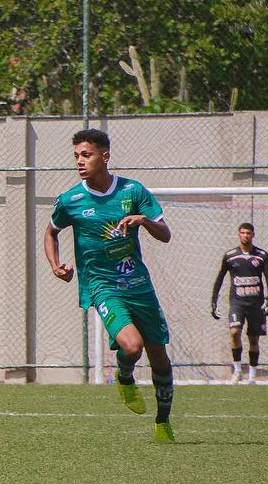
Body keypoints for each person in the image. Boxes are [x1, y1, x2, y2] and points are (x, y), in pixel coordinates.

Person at [45, 128, 177, 442]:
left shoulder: (133, 192)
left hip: (139, 286)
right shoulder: (71, 200)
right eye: (76, 155)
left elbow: (165, 233)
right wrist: (56, 266)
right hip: (102, 285)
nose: (79, 161)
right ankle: (125, 375)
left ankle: (163, 422)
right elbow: (50, 232)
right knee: (132, 345)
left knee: (159, 356)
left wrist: (142, 221)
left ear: (105, 156)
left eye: (86, 154)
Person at [211, 222, 268, 383]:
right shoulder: (230, 256)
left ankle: (252, 374)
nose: (245, 236)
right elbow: (220, 277)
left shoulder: (262, 255)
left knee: (254, 339)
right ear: (239, 234)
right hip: (237, 302)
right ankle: (237, 370)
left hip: (256, 304)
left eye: (248, 233)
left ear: (253, 235)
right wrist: (214, 300)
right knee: (234, 332)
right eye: (243, 233)